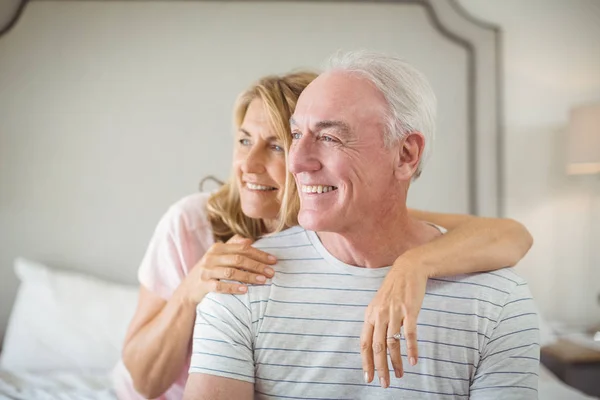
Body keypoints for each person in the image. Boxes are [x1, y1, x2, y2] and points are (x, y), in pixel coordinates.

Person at [114, 70, 534, 400]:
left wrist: (415, 263)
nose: (249, 164)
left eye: (278, 144)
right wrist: (191, 289)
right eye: (244, 141)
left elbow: (511, 235)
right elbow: (144, 382)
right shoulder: (191, 224)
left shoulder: (339, 211)